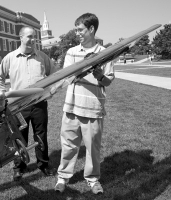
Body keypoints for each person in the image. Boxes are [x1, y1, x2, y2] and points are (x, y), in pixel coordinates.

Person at [54, 13, 115, 195]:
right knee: (68, 146)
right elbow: (67, 77)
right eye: (76, 29)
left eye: (80, 29)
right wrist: (85, 75)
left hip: (93, 109)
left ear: (91, 29)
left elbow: (108, 81)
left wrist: (99, 77)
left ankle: (93, 179)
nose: (77, 33)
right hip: (71, 107)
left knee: (92, 148)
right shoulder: (71, 52)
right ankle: (63, 178)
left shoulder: (105, 54)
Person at [0, 26, 56, 181]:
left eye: (34, 37)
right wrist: (4, 94)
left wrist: (50, 91)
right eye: (29, 36)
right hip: (18, 107)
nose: (32, 39)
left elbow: (54, 74)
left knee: (40, 134)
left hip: (39, 104)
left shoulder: (42, 57)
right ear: (20, 37)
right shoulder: (10, 58)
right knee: (19, 137)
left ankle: (43, 164)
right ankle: (19, 167)